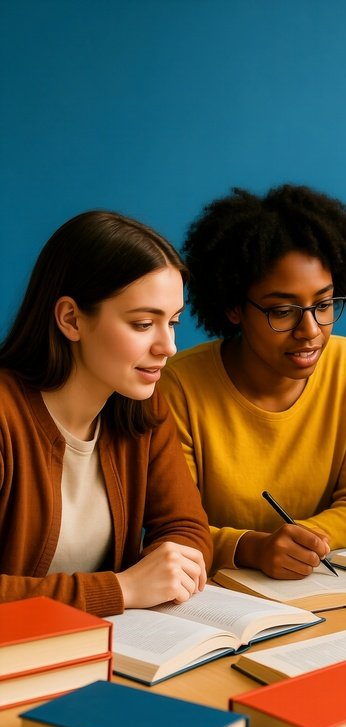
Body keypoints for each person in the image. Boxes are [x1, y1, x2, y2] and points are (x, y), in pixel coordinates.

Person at [160, 185, 346, 580]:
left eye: (323, 305)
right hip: (215, 600)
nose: (310, 330)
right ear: (233, 307)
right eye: (283, 311)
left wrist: (304, 544)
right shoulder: (178, 386)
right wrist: (253, 548)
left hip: (320, 587)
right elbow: (174, 529)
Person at [0, 211, 212, 617]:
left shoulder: (143, 406)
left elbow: (186, 531)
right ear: (71, 319)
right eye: (143, 323)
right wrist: (121, 588)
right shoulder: (5, 415)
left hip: (113, 648)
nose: (168, 346)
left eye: (173, 322)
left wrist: (166, 571)